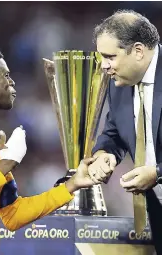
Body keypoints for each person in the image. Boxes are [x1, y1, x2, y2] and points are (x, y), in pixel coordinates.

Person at [0, 44, 98, 255]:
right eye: (6, 75)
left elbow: (13, 215)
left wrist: (71, 185)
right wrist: (4, 166)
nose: (12, 83)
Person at [87, 10, 162, 254]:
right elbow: (114, 132)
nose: (104, 65)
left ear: (138, 51)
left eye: (110, 56)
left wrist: (157, 173)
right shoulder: (119, 83)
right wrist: (104, 154)